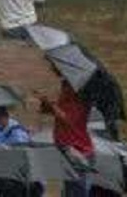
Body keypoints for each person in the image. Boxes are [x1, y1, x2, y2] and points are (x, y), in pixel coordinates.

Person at [38, 67, 93, 197]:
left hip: (76, 150)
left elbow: (69, 119)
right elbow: (59, 113)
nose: (53, 68)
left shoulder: (80, 91)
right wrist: (46, 105)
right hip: (66, 147)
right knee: (69, 190)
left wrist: (51, 105)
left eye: (55, 65)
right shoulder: (67, 85)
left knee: (76, 191)